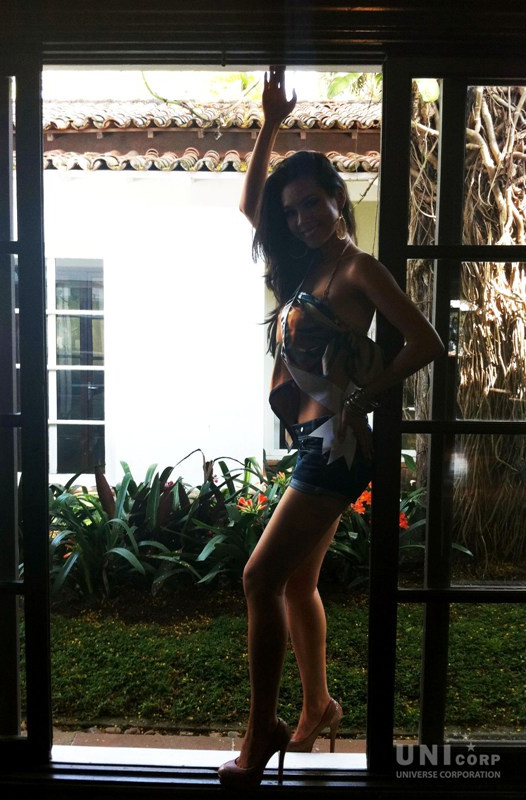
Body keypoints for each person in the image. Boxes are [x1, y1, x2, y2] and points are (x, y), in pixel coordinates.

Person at [217, 66, 445, 790]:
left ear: (336, 200)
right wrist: (270, 125)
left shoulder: (356, 269)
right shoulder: (303, 267)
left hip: (337, 450)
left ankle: (262, 732)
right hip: (314, 443)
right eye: (291, 212)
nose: (299, 219)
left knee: (259, 578)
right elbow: (250, 205)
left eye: (311, 204)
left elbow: (426, 342)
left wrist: (364, 397)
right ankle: (318, 705)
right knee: (296, 585)